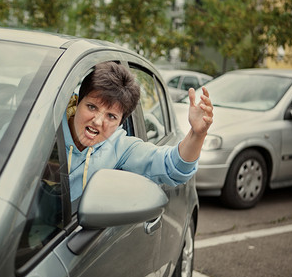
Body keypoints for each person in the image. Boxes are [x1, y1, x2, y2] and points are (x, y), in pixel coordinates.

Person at [62, 62, 213, 201]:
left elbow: (173, 167)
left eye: (111, 116)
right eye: (92, 107)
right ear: (78, 101)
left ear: (119, 124)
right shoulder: (49, 124)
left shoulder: (120, 147)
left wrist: (197, 134)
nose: (98, 121)